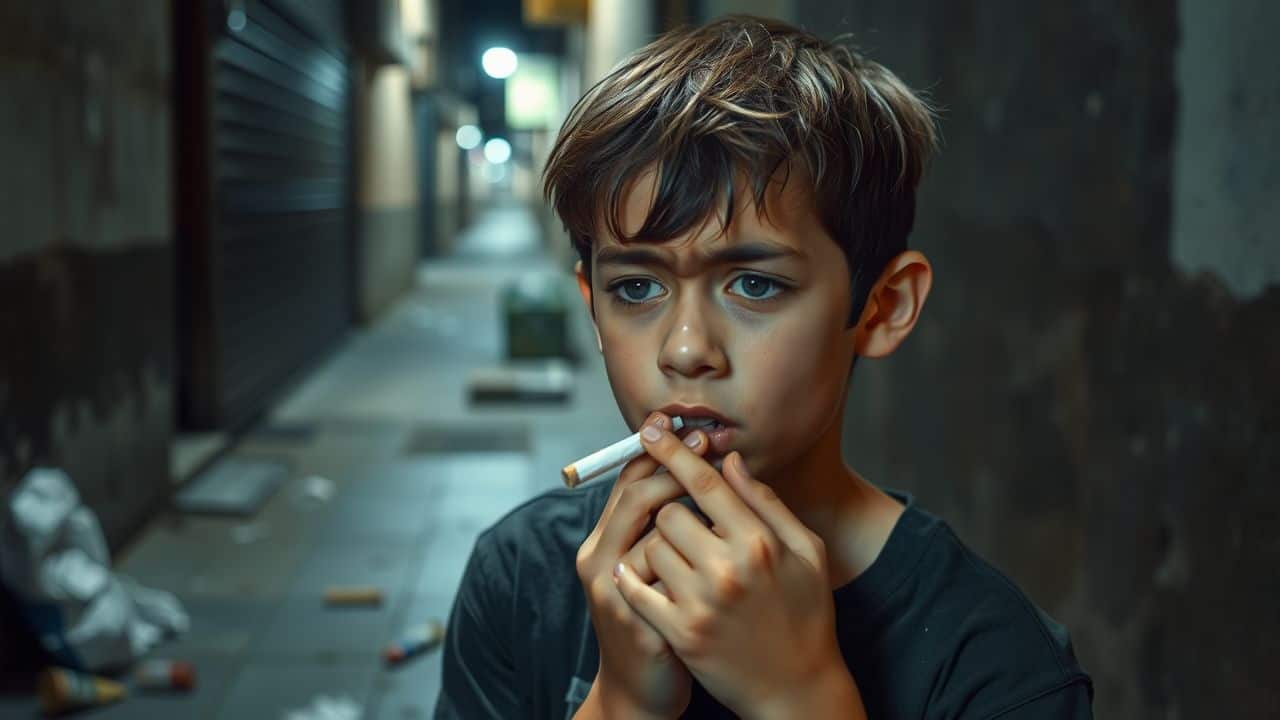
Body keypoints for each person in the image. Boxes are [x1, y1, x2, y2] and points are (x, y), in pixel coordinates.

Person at [434, 14, 1093, 720]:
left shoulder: (998, 668)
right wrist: (620, 704)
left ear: (883, 307)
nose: (684, 348)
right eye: (636, 288)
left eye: (754, 285)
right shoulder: (522, 578)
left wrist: (801, 699)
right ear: (592, 307)